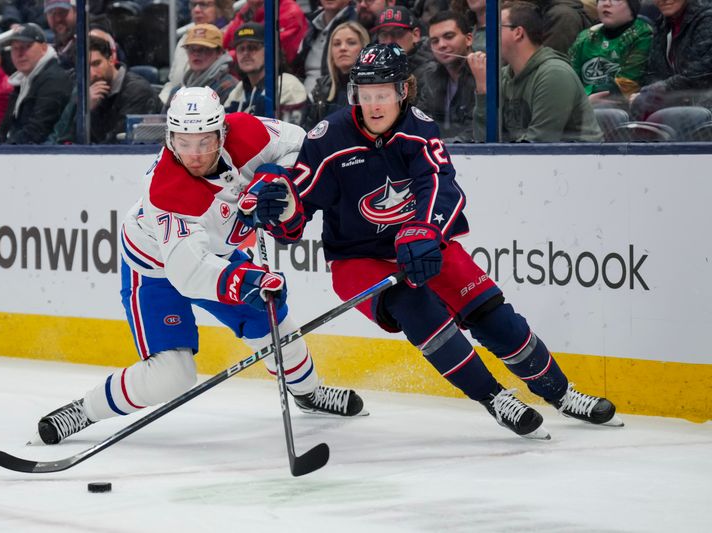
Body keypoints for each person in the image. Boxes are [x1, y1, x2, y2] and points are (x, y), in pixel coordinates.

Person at [242, 43, 623, 440]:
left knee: (494, 316)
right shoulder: (329, 138)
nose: (373, 106)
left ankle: (562, 394)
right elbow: (297, 215)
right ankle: (494, 398)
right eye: (365, 95)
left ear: (403, 91)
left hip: (423, 242)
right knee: (415, 306)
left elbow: (440, 184)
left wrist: (423, 230)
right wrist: (279, 208)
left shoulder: (418, 128)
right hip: (358, 261)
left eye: (383, 95)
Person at [33, 86, 366, 446]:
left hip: (216, 255)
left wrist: (277, 178)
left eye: (204, 142)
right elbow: (188, 272)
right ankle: (85, 410)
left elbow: (300, 145)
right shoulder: (167, 190)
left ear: (222, 133)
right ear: (169, 138)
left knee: (276, 325)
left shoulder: (247, 132)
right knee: (173, 375)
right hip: (156, 270)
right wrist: (245, 282)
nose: (194, 155)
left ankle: (309, 394)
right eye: (183, 142)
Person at [467, 1, 603, 142]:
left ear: (518, 33)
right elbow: (484, 143)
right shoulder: (503, 76)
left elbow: (539, 143)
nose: (490, 35)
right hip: (525, 160)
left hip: (578, 160)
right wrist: (483, 91)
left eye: (497, 27)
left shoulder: (554, 74)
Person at [0, 23, 72, 144]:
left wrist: (2, 151)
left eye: (26, 46)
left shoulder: (54, 79)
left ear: (44, 48)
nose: (20, 53)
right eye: (15, 48)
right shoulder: (22, 80)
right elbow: (3, 130)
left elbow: (37, 131)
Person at [629, 0, 712, 121]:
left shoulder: (708, 18)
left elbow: (700, 75)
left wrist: (655, 92)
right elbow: (652, 72)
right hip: (677, 106)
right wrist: (650, 93)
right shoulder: (663, 23)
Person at [568, 0, 654, 106]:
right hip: (582, 101)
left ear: (632, 6)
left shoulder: (643, 34)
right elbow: (569, 76)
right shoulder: (586, 36)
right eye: (602, 0)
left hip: (621, 103)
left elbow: (627, 83)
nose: (606, 4)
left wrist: (584, 100)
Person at [224, 23, 308, 125]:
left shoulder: (289, 86)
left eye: (252, 48)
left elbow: (292, 135)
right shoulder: (238, 90)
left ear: (270, 51)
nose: (245, 53)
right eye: (241, 49)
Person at [84, 36, 161, 143]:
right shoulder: (85, 90)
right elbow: (67, 136)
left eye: (96, 64)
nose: (92, 73)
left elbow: (116, 144)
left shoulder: (138, 91)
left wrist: (90, 112)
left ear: (111, 60)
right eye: (86, 67)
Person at [416, 10, 477, 141]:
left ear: (469, 39)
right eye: (435, 41)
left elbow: (478, 130)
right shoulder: (431, 77)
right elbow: (419, 123)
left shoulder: (484, 75)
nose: (441, 45)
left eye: (449, 36)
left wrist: (438, 145)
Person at [160, 0, 235, 105]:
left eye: (203, 5)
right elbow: (173, 81)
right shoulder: (184, 38)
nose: (196, 10)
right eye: (193, 5)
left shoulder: (232, 36)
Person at [304, 21, 370, 129]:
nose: (342, 48)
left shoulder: (375, 88)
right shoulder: (321, 88)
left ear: (364, 50)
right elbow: (309, 131)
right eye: (337, 44)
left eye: (351, 42)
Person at [295, 0, 358, 94]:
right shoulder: (311, 22)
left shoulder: (357, 22)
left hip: (334, 99)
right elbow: (298, 69)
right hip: (305, 98)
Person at [223, 0, 308, 65]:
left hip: (280, 77)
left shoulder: (289, 12)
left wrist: (231, 56)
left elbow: (273, 54)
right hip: (248, 74)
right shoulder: (245, 12)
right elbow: (225, 44)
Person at [171, 23, 239, 105]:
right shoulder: (177, 90)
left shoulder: (228, 88)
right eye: (192, 49)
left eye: (204, 49)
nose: (196, 54)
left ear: (219, 52)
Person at [373, 5, 435, 80]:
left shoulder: (430, 71)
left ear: (415, 35)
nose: (389, 41)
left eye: (398, 33)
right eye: (384, 35)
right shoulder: (374, 68)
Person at [43, 0, 77, 70]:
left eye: (63, 12)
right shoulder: (48, 47)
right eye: (51, 13)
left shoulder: (87, 40)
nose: (58, 19)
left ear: (76, 12)